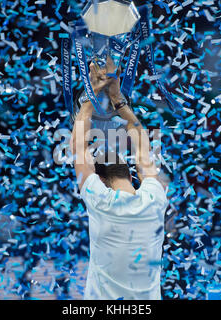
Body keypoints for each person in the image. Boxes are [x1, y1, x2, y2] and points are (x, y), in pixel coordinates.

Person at [70, 56, 169, 300]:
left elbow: (78, 149)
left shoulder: (101, 201)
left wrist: (90, 96)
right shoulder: (154, 199)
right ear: (132, 174)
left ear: (101, 181)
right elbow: (141, 143)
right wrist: (117, 97)